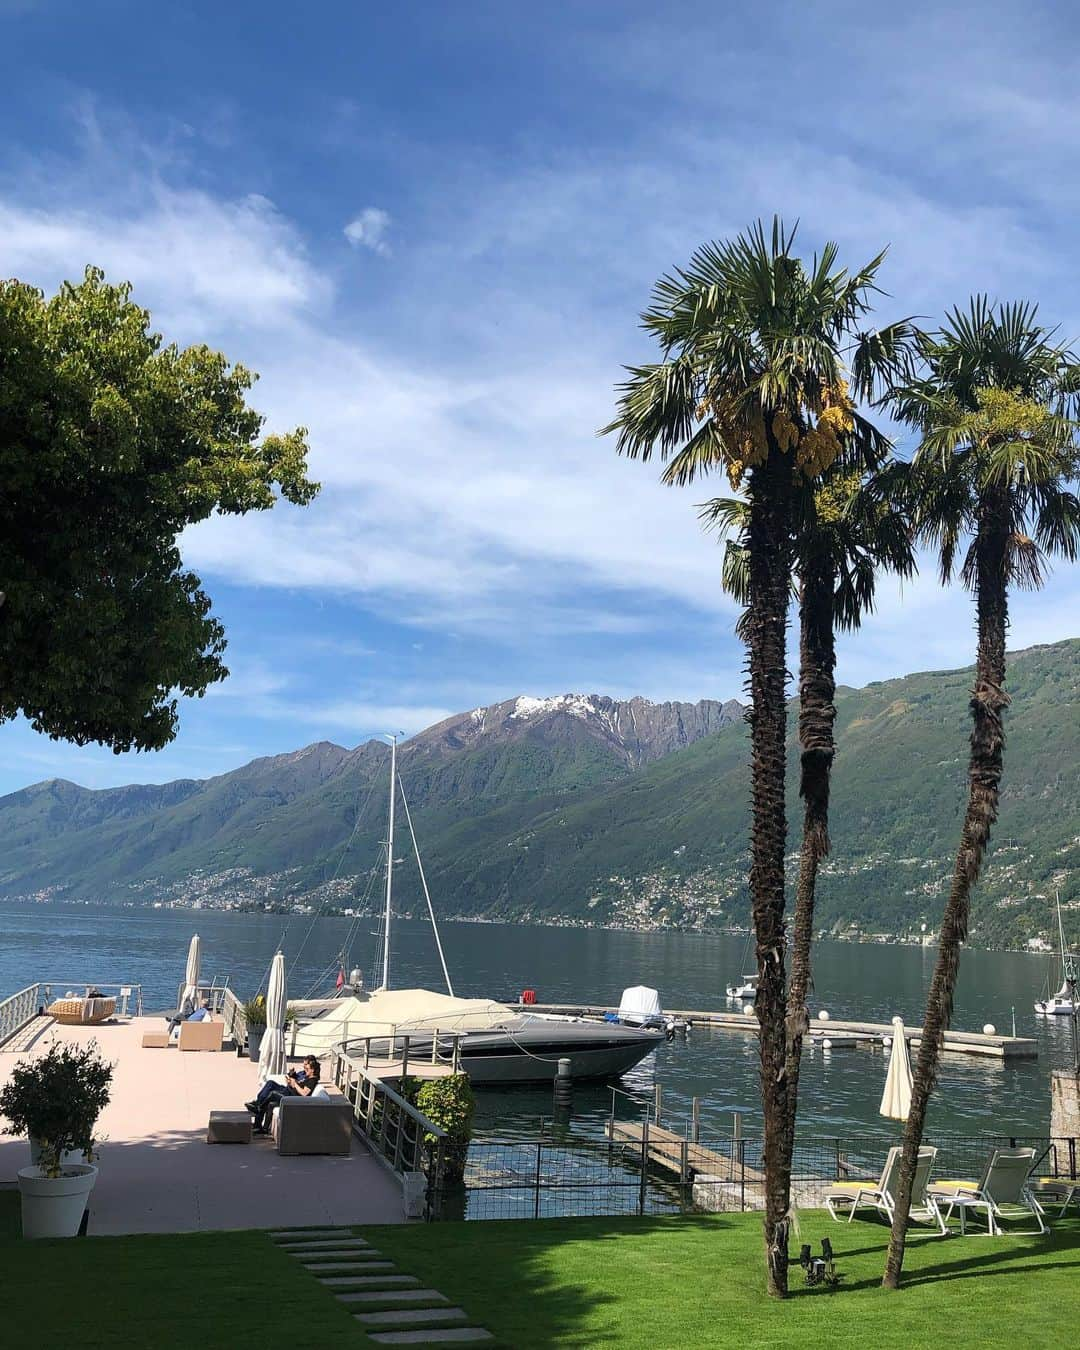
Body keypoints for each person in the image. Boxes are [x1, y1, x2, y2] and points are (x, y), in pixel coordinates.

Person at [245, 1056, 321, 1134]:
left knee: (273, 1093)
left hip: (291, 1098)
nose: (304, 1069)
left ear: (312, 1070)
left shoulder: (312, 1080)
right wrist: (290, 1080)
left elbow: (304, 1093)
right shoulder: (307, 1076)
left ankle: (258, 1107)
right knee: (270, 1098)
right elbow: (296, 1080)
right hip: (288, 1092)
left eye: (307, 1068)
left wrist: (295, 1084)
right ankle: (263, 1127)